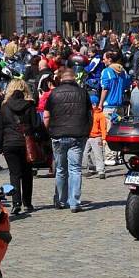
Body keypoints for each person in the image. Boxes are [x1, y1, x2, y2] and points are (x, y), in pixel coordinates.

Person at [44, 69, 92, 212]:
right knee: (75, 169)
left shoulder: (54, 93)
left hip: (58, 135)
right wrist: (87, 131)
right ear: (74, 78)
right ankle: (75, 202)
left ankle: (60, 200)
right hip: (78, 135)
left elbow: (46, 116)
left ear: (61, 79)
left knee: (60, 169)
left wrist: (48, 132)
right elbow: (90, 115)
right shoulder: (83, 93)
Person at [0, 80, 38, 214]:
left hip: (9, 142)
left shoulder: (4, 106)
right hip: (26, 143)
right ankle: (28, 202)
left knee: (14, 174)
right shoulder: (30, 105)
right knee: (27, 174)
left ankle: (16, 202)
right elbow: (35, 124)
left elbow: (0, 128)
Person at [98, 51, 129, 166]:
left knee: (108, 132)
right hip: (120, 106)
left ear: (110, 59)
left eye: (104, 58)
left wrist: (100, 103)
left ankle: (110, 156)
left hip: (109, 106)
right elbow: (126, 86)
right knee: (119, 132)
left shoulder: (106, 72)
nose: (103, 61)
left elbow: (105, 88)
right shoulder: (123, 72)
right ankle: (119, 156)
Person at [83, 95, 107, 179]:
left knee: (98, 154)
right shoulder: (88, 114)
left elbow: (103, 128)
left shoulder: (100, 115)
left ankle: (101, 171)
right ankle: (92, 169)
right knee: (85, 153)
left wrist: (104, 139)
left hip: (97, 137)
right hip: (88, 137)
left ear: (94, 104)